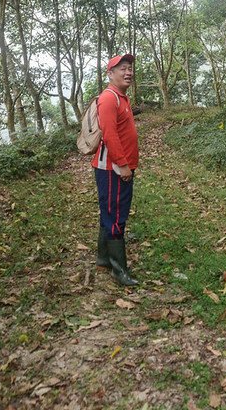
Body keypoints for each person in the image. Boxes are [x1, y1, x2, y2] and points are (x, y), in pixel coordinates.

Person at [92, 53, 139, 286]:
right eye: (122, 68)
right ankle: (119, 271)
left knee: (109, 213)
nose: (128, 72)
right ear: (110, 73)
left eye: (130, 68)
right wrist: (123, 165)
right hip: (112, 169)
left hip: (117, 167)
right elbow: (109, 135)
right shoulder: (109, 98)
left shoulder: (122, 97)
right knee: (116, 216)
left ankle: (104, 259)